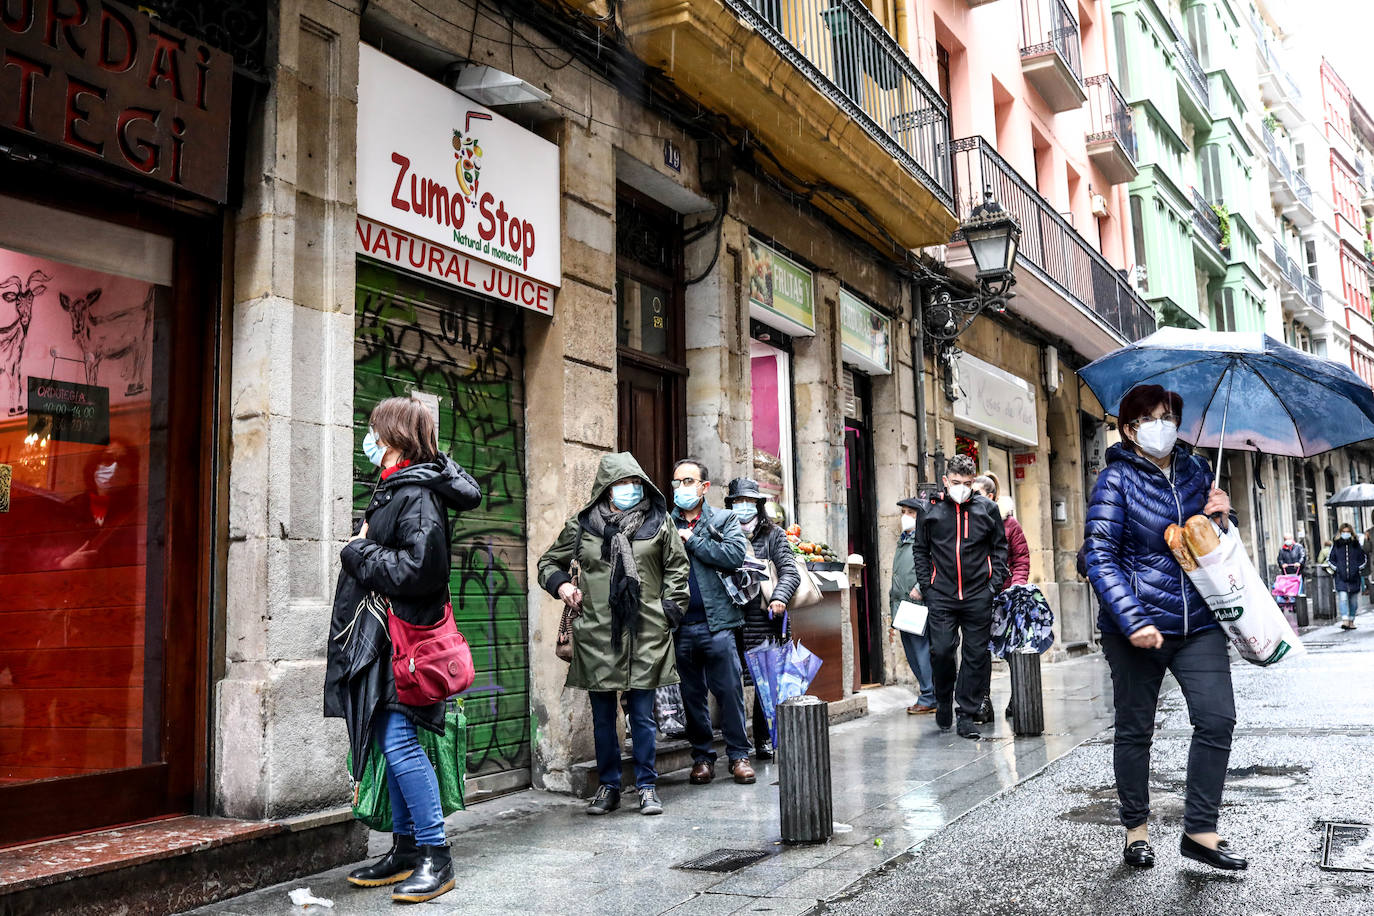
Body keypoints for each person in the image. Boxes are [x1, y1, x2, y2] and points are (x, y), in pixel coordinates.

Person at [1083, 383, 1246, 872]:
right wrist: (1132, 619)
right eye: (1152, 418)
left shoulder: (1197, 470)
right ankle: (1136, 830)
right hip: (1135, 627)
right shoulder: (1115, 482)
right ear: (1130, 430)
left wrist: (1223, 516)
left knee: (1217, 719)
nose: (1164, 425)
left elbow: (1211, 545)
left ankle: (1200, 831)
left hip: (1199, 620)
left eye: (1169, 416)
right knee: (1135, 730)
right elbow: (1098, 555)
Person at [331, 397, 482, 903]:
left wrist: (359, 551)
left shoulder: (416, 492)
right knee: (388, 739)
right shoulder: (395, 485)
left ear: (393, 436)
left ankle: (436, 857)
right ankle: (405, 848)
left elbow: (422, 571)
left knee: (398, 742)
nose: (368, 440)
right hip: (383, 640)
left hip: (402, 641)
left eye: (374, 431)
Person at [537, 452, 689, 816]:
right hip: (597, 633)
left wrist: (669, 611)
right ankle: (608, 787)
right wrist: (562, 588)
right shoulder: (582, 525)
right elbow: (548, 563)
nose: (630, 489)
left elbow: (677, 569)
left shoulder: (659, 522)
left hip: (647, 631)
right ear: (606, 488)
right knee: (603, 716)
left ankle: (648, 786)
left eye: (635, 483)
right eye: (622, 483)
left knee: (642, 714)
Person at [669, 457, 755, 785]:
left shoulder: (724, 518)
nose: (681, 488)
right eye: (677, 482)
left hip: (718, 623)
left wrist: (693, 541)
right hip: (680, 626)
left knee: (729, 691)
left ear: (704, 487)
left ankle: (738, 756)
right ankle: (702, 757)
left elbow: (735, 556)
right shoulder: (665, 523)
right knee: (691, 696)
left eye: (688, 481)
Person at [911, 453, 1008, 740]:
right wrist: (927, 587)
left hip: (979, 594)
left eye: (967, 482)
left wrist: (994, 585)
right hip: (941, 594)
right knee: (941, 650)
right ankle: (943, 699)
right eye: (956, 482)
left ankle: (966, 713)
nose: (962, 487)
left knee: (976, 655)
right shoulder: (930, 510)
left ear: (974, 481)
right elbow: (920, 549)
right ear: (945, 480)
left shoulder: (988, 509)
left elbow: (999, 549)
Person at [725, 477, 801, 758]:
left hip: (764, 620)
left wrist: (780, 597)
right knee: (729, 682)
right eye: (737, 502)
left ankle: (763, 738)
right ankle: (736, 745)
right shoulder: (723, 533)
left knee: (765, 684)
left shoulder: (774, 534)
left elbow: (790, 571)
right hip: (731, 619)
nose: (743, 507)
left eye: (748, 502)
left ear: (758, 505)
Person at [972, 473, 1030, 723]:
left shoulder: (1009, 524)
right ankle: (983, 701)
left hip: (1006, 595)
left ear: (991, 497)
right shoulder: (967, 522)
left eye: (977, 494)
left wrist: (1016, 587)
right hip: (978, 595)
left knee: (1011, 650)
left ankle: (1018, 698)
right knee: (979, 651)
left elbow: (1021, 559)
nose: (972, 499)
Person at [890, 497, 936, 715]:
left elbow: (933, 564)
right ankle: (928, 694)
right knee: (912, 652)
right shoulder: (905, 538)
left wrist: (920, 587)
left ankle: (930, 696)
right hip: (904, 603)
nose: (906, 516)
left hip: (918, 602)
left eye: (912, 513)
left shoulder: (925, 538)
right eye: (904, 512)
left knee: (922, 651)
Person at [1325, 522, 1366, 630]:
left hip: (1354, 577)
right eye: (1344, 532)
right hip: (1340, 577)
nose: (1346, 533)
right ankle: (1345, 620)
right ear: (1340, 532)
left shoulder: (1356, 544)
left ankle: (1351, 620)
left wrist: (1358, 568)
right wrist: (1337, 569)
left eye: (1348, 532)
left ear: (1351, 532)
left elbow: (1363, 558)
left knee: (1353, 601)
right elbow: (1330, 559)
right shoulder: (1336, 544)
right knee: (1343, 598)